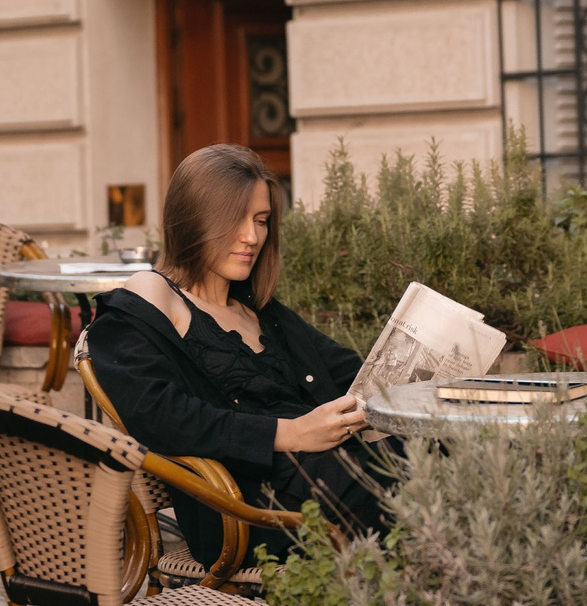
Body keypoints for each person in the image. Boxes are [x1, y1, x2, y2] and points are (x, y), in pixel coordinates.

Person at [84, 143, 385, 567]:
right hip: (245, 511)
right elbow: (156, 414)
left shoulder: (258, 310)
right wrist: (291, 433)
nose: (252, 237)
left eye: (261, 220)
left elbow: (349, 370)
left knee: (436, 462)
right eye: (235, 220)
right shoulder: (153, 295)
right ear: (192, 220)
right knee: (394, 492)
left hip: (326, 473)